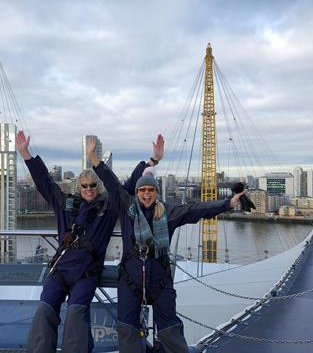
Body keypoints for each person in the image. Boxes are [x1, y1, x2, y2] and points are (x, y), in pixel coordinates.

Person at [88, 137, 245, 353]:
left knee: (169, 328)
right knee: (127, 329)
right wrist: (94, 157)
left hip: (160, 280)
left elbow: (196, 210)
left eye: (150, 190)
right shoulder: (127, 209)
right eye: (142, 190)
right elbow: (111, 182)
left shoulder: (168, 213)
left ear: (156, 193)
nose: (146, 194)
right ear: (137, 192)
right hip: (130, 280)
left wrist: (228, 203)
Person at [15, 131, 164, 353]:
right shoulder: (66, 204)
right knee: (45, 308)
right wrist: (26, 153)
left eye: (93, 184)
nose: (89, 189)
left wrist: (153, 160)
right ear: (79, 187)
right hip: (61, 270)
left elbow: (129, 184)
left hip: (86, 272)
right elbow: (44, 182)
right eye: (84, 185)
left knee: (76, 312)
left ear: (99, 186)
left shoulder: (109, 207)